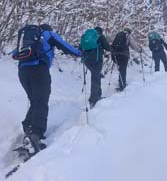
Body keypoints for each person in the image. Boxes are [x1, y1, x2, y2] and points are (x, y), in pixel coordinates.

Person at [12, 24, 81, 153]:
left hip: (22, 71)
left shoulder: (26, 37)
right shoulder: (49, 34)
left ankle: (28, 129)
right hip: (39, 70)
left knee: (35, 100)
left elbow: (16, 52)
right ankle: (36, 135)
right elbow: (65, 46)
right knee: (41, 101)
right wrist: (79, 52)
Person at [81, 26, 111, 109]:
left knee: (96, 76)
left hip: (87, 60)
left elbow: (80, 47)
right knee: (95, 78)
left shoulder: (85, 36)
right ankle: (93, 100)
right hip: (97, 60)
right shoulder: (100, 36)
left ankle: (98, 94)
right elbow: (107, 47)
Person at [111, 27, 142, 91]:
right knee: (123, 69)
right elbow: (133, 45)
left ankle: (121, 82)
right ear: (129, 31)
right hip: (124, 55)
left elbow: (113, 44)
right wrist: (139, 50)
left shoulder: (118, 34)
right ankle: (122, 85)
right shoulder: (128, 35)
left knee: (120, 68)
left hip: (115, 55)